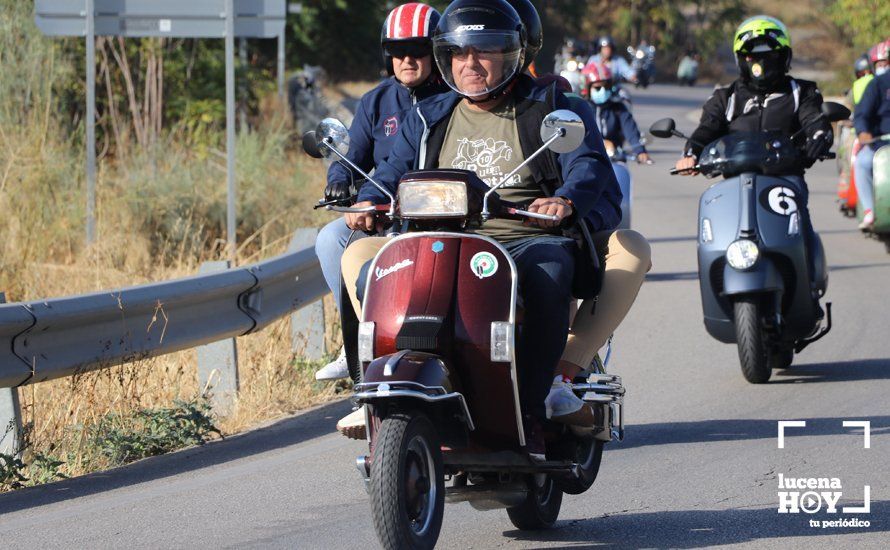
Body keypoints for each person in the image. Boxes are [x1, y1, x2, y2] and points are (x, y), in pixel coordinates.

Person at [338, 0, 650, 460]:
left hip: (525, 238)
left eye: (483, 52)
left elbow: (586, 164)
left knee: (550, 273)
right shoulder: (429, 115)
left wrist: (563, 201)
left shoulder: (552, 107)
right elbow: (393, 168)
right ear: (445, 57)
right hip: (440, 238)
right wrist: (369, 198)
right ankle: (376, 386)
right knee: (363, 262)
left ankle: (544, 395)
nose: (470, 64)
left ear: (512, 54)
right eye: (459, 53)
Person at [313, 3, 447, 380]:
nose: (407, 59)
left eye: (417, 50)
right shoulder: (376, 101)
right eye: (397, 51)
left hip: (446, 215)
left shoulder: (455, 97)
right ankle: (356, 338)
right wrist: (340, 179)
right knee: (331, 239)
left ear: (436, 50)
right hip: (385, 213)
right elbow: (351, 152)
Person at [674, 15, 833, 281]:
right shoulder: (726, 97)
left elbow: (815, 120)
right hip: (734, 182)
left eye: (769, 55)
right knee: (714, 233)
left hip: (784, 178)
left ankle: (808, 283)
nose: (760, 63)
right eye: (751, 56)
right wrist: (690, 154)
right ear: (740, 60)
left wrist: (819, 137)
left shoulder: (801, 92)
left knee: (799, 227)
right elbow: (706, 130)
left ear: (784, 57)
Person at [853, 39, 890, 231]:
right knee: (862, 163)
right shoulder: (877, 84)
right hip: (880, 143)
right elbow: (862, 114)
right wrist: (864, 132)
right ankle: (870, 210)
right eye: (882, 63)